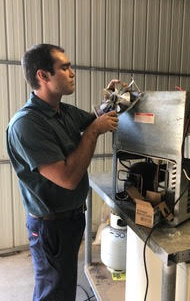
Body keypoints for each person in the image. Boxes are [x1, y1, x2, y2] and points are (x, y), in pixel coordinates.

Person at [6, 43, 119, 301]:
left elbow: (93, 119)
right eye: (64, 67)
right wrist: (93, 132)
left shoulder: (62, 111)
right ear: (42, 76)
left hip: (70, 221)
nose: (72, 73)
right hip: (50, 228)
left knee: (63, 286)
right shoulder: (27, 124)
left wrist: (109, 100)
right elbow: (68, 178)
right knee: (52, 291)